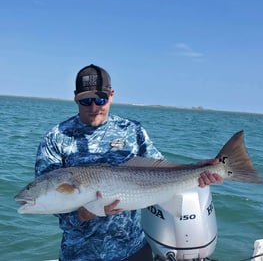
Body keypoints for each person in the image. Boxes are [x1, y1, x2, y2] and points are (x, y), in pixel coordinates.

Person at [35, 64, 223, 261]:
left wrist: (198, 170)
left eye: (100, 99)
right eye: (85, 101)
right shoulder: (55, 138)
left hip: (132, 248)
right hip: (80, 254)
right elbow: (50, 201)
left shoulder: (131, 130)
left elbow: (163, 169)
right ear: (75, 97)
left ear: (111, 94)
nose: (93, 107)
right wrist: (84, 214)